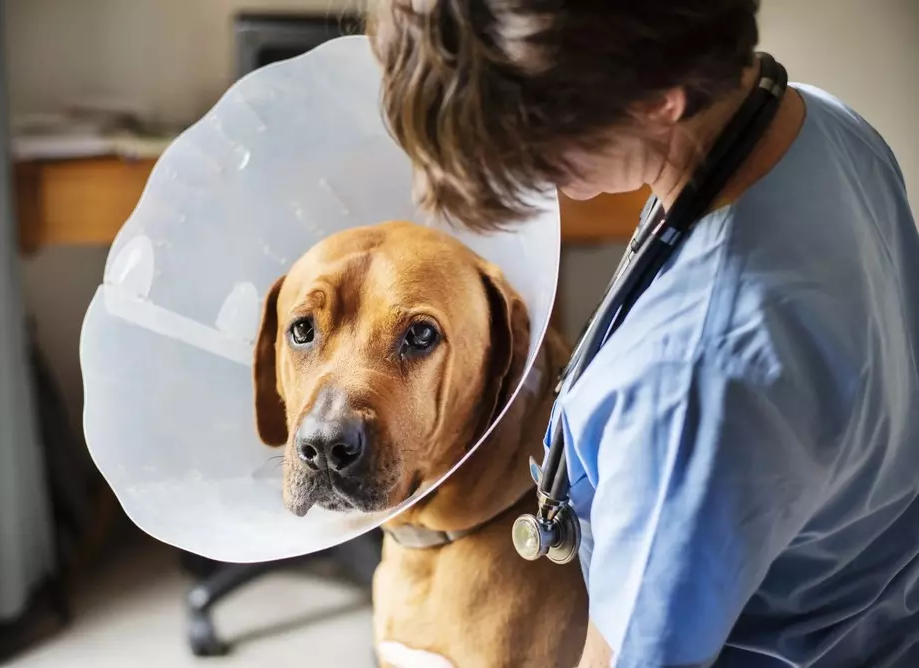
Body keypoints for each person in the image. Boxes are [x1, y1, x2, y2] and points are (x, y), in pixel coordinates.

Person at [366, 1, 919, 667]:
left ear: (659, 99)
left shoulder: (690, 380)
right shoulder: (823, 121)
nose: (529, 173)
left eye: (532, 139)